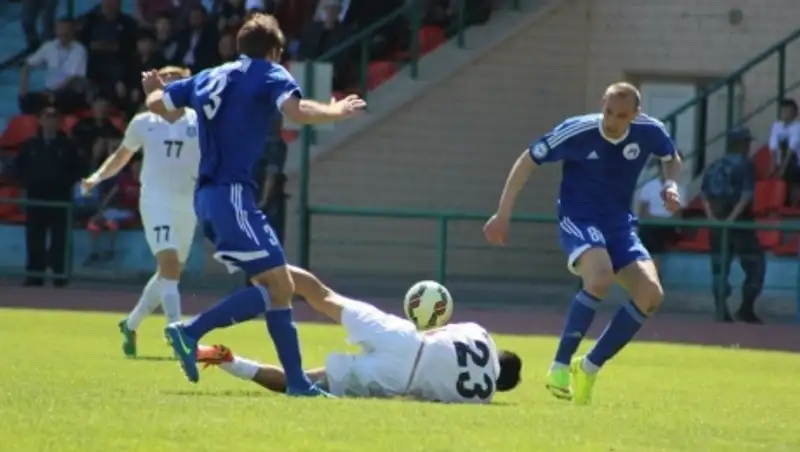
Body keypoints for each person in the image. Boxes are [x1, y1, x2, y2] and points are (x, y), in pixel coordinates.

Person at [142, 13, 366, 396]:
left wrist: (151, 87)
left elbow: (159, 105)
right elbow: (296, 112)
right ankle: (189, 331)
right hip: (231, 194)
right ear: (275, 51)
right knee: (279, 285)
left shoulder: (208, 75)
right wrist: (336, 110)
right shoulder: (269, 74)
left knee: (280, 287)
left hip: (211, 196)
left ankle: (296, 383)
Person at [483, 82, 681, 405]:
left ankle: (587, 367)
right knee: (600, 276)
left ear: (635, 114)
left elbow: (671, 157)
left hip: (619, 224)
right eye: (608, 111)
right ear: (602, 104)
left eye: (621, 115)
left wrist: (670, 183)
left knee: (651, 294)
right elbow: (528, 159)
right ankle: (559, 365)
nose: (612, 121)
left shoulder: (649, 131)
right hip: (579, 218)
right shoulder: (577, 131)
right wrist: (503, 212)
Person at [197, 265, 522, 402]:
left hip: (404, 336)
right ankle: (230, 361)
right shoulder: (482, 396)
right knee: (304, 383)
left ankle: (259, 268)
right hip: (398, 378)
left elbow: (438, 330)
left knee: (324, 296)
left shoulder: (481, 335)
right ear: (501, 385)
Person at [81, 66, 201, 356]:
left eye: (178, 82)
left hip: (187, 202)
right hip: (155, 199)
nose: (171, 86)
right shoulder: (143, 122)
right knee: (169, 263)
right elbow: (122, 154)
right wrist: (97, 176)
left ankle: (131, 324)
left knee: (170, 271)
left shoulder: (200, 120)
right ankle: (177, 331)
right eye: (166, 82)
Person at [700, 127, 765, 324]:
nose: (748, 147)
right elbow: (746, 195)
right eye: (746, 143)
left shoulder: (714, 164)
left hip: (717, 221)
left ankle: (721, 310)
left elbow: (704, 195)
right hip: (739, 222)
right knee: (756, 266)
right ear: (741, 144)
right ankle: (745, 309)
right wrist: (732, 219)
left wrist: (712, 217)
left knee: (720, 268)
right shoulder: (745, 164)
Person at [14, 106, 83, 287]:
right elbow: (18, 169)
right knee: (34, 237)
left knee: (60, 239)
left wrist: (65, 182)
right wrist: (25, 186)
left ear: (60, 122)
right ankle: (34, 275)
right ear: (40, 120)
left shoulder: (69, 145)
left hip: (60, 198)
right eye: (47, 117)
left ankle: (60, 277)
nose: (51, 121)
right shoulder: (30, 145)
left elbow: (79, 169)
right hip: (35, 197)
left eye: (55, 117)